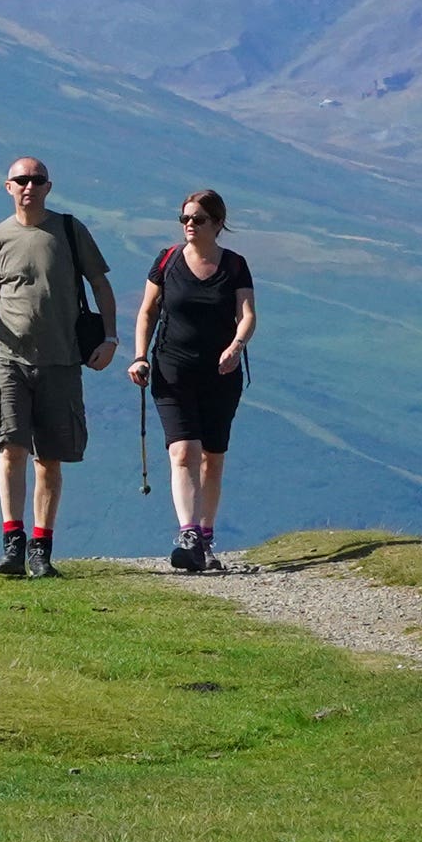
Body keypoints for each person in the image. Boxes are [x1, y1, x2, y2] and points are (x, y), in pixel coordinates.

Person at [0, 157, 112, 579]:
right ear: (8, 186)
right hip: (8, 359)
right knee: (11, 448)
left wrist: (110, 338)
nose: (29, 186)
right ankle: (13, 544)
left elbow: (100, 283)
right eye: (22, 180)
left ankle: (41, 548)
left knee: (50, 460)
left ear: (48, 186)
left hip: (61, 360)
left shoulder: (70, 231)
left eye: (37, 180)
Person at [129, 188, 259, 572]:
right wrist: (139, 356)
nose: (189, 225)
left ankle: (205, 536)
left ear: (217, 224)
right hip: (172, 370)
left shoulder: (234, 266)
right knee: (182, 451)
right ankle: (188, 535)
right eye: (184, 219)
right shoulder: (167, 260)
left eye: (198, 220)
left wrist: (236, 346)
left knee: (212, 458)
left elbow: (248, 314)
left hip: (221, 374)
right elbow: (147, 312)